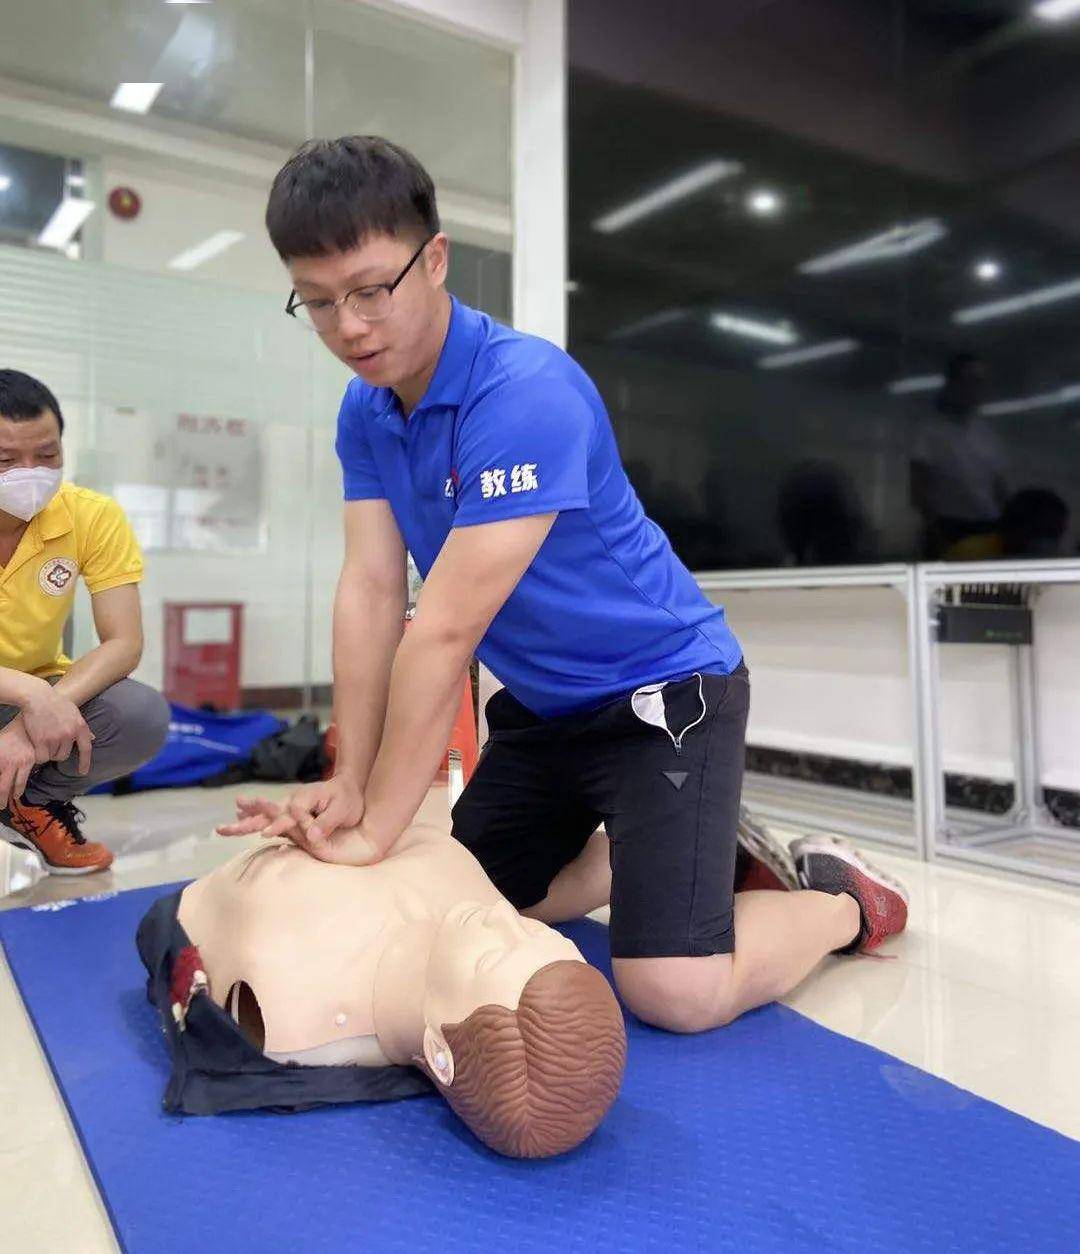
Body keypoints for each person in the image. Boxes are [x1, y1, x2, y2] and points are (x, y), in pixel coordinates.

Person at [226, 135, 908, 1036]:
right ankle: (676, 851)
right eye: (316, 303)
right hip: (546, 715)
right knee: (463, 909)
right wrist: (348, 778)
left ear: (434, 260)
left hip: (666, 695)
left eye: (369, 290)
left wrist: (373, 830)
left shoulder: (525, 391)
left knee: (675, 992)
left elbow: (440, 633)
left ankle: (843, 896)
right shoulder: (367, 408)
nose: (348, 327)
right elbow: (368, 590)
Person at [138, 810, 626, 1158]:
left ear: (440, 1052)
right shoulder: (467, 901)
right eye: (539, 934)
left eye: (493, 954)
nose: (504, 915)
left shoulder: (298, 1001)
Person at [0, 369, 170, 874]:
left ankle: (27, 804)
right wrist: (33, 698)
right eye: (6, 460)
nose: (30, 473)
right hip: (25, 694)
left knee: (137, 714)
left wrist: (39, 711)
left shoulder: (91, 516)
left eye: (47, 456)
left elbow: (123, 642)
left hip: (28, 694)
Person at [910, 353, 1009, 559]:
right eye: (970, 381)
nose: (975, 390)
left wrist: (1007, 525)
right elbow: (919, 488)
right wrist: (936, 532)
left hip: (989, 527)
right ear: (953, 384)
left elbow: (999, 486)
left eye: (981, 383)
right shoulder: (930, 431)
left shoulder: (987, 434)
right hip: (948, 529)